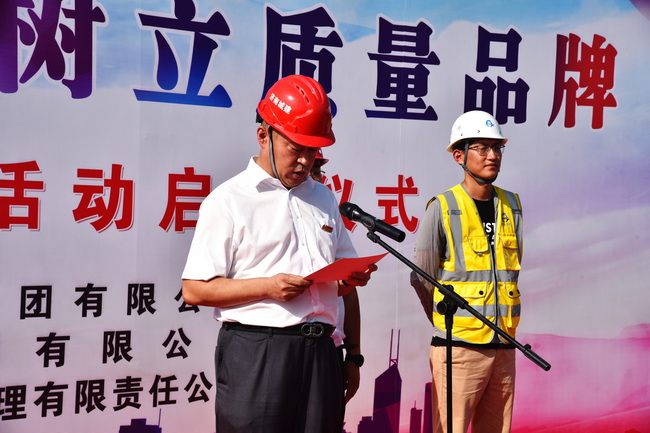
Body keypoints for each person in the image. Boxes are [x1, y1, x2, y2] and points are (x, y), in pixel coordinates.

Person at [181, 74, 377, 433]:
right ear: (263, 136)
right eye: (295, 148)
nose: (305, 162)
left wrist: (351, 282)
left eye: (313, 151)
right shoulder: (228, 201)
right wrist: (268, 287)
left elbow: (340, 283)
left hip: (322, 353)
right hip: (258, 352)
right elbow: (194, 289)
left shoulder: (323, 196)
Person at [410, 110, 523, 433]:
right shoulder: (443, 207)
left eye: (497, 148)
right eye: (482, 148)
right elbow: (421, 277)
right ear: (459, 156)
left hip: (503, 346)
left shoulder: (513, 206)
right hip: (458, 349)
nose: (492, 155)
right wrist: (445, 322)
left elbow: (511, 274)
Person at [309, 150, 364, 405]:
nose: (312, 177)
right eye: (308, 171)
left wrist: (353, 356)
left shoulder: (328, 210)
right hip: (280, 348)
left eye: (317, 171)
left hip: (329, 348)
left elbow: (348, 289)